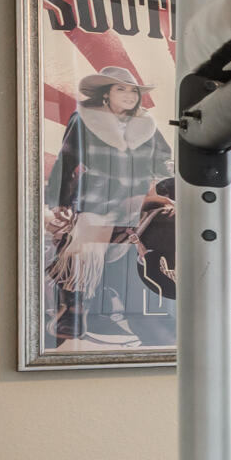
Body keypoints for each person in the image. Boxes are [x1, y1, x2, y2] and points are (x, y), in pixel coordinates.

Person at [44, 65, 175, 347]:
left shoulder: (147, 124)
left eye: (133, 90)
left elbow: (165, 159)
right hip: (98, 197)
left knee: (172, 221)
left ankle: (169, 296)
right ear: (106, 94)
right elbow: (66, 162)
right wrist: (60, 203)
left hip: (140, 196)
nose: (129, 95)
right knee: (84, 240)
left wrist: (159, 181)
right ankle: (74, 309)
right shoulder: (84, 119)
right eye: (121, 89)